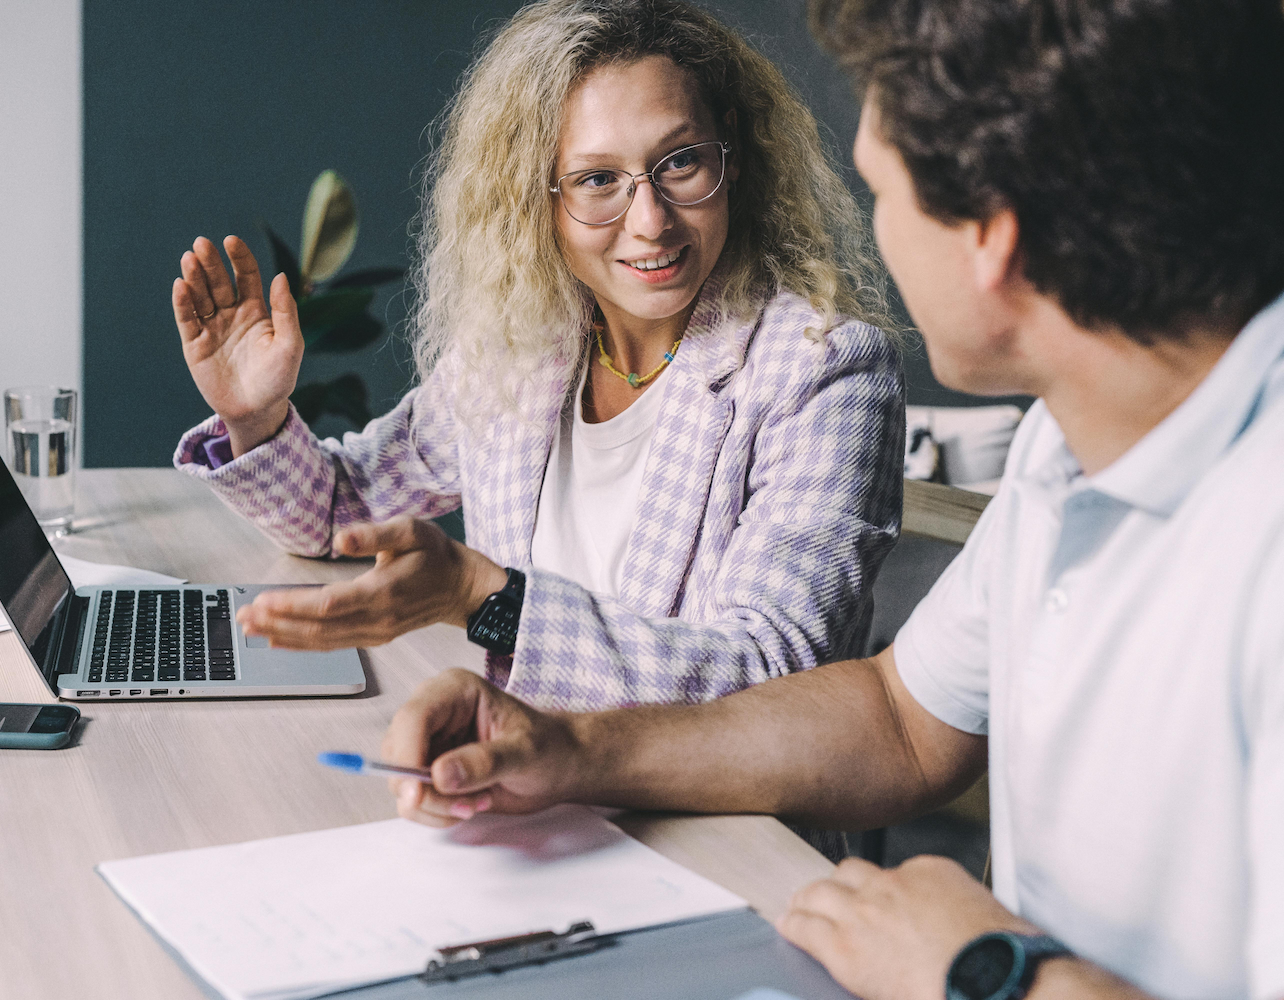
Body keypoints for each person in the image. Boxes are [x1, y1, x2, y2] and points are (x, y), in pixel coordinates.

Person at [376, 0, 1284, 997]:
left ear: (992, 238)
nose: (871, 232)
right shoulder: (1063, 449)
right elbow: (900, 716)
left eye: (884, 191)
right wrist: (569, 746)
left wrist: (988, 971)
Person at [170, 0, 903, 713]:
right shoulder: (524, 346)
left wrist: (486, 600)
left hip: (713, 826)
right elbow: (345, 510)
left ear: (732, 155)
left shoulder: (825, 370)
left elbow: (770, 679)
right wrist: (259, 417)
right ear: (536, 197)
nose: (649, 222)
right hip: (523, 784)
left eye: (678, 163)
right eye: (597, 180)